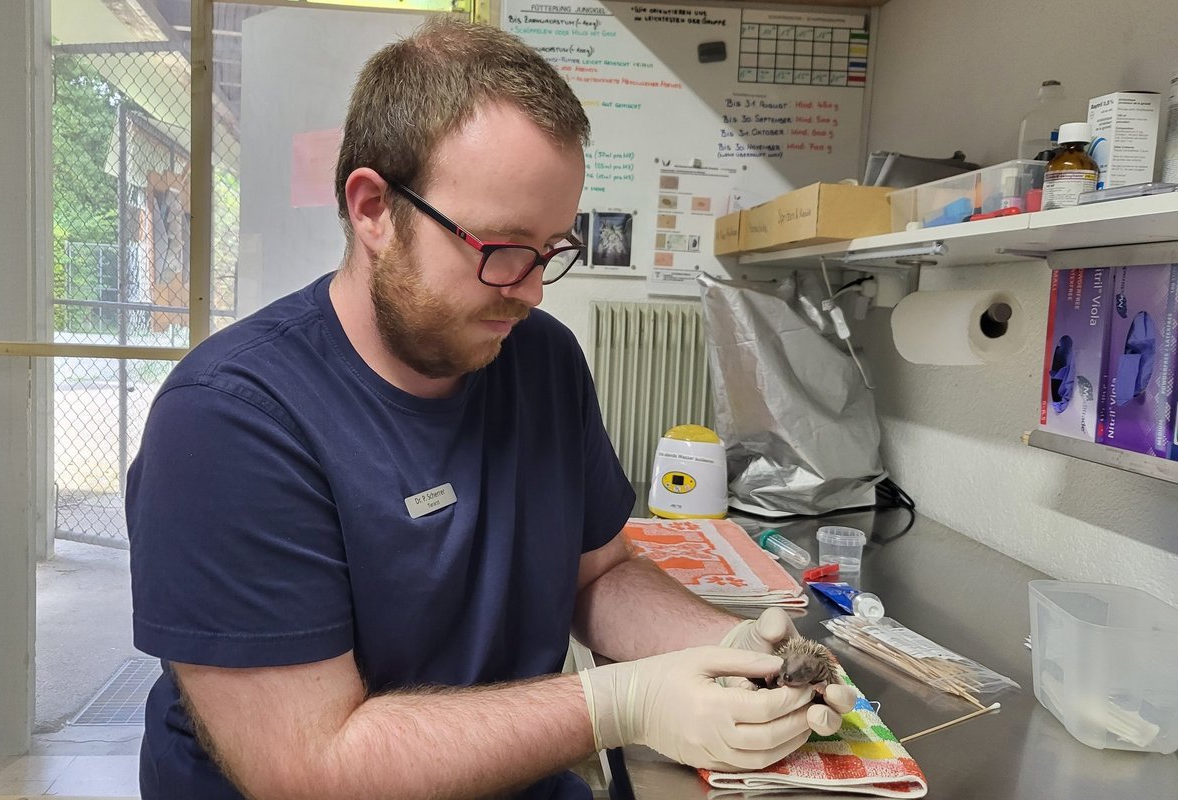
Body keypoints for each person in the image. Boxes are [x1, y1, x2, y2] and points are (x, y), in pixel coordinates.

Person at [126, 16, 855, 800]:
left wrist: (734, 648)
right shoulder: (228, 423)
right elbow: (313, 765)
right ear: (373, 209)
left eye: (550, 250)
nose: (531, 290)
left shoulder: (539, 359)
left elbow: (597, 574)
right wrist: (624, 701)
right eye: (499, 248)